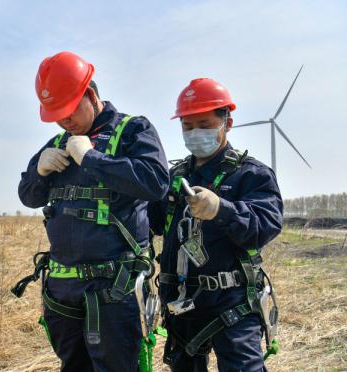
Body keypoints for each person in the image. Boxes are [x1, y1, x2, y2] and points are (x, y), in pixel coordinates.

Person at [16, 51, 169, 371]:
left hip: (114, 292)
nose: (64, 121)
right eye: (56, 115)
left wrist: (92, 159)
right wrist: (38, 173)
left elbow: (155, 182)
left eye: (69, 110)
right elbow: (28, 197)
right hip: (63, 293)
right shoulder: (56, 142)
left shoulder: (133, 131)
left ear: (91, 95)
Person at [148, 78, 283, 371]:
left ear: (228, 123)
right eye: (188, 126)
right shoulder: (174, 177)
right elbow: (152, 223)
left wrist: (223, 209)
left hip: (231, 302)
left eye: (205, 124)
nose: (196, 133)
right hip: (181, 302)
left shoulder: (251, 175)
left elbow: (265, 226)